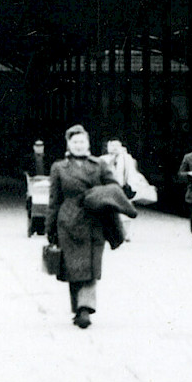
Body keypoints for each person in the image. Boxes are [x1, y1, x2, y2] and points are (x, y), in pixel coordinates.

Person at [45, 124, 120, 329]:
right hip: (68, 223)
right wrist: (50, 228)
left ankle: (85, 308)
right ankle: (78, 309)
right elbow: (54, 200)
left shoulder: (100, 165)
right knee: (73, 268)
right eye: (75, 142)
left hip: (94, 222)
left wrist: (99, 196)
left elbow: (114, 189)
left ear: (88, 144)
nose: (79, 145)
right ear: (69, 145)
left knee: (91, 266)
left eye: (82, 141)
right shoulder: (59, 168)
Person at [101, 138, 138, 240]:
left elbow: (132, 173)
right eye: (112, 145)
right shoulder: (103, 159)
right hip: (108, 187)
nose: (115, 148)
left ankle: (126, 234)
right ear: (108, 147)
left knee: (125, 210)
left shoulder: (127, 159)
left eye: (117, 146)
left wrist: (132, 186)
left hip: (123, 187)